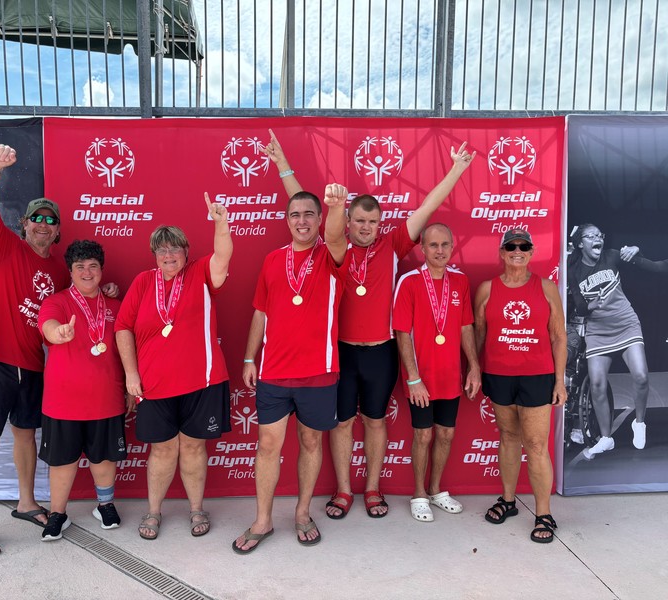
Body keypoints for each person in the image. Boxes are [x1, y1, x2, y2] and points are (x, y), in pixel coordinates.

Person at [262, 129, 475, 519]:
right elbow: (305, 204)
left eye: (372, 221)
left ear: (380, 223)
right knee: (342, 424)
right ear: (348, 222)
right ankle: (344, 491)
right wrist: (281, 165)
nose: (364, 227)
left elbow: (427, 210)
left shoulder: (393, 244)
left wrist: (456, 171)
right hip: (340, 353)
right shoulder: (332, 247)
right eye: (358, 220)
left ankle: (372, 488)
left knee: (375, 423)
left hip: (380, 352)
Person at [0, 144, 117, 558]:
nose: (44, 225)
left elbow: (84, 294)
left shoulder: (61, 271)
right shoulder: (5, 247)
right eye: (37, 219)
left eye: (51, 220)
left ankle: (27, 503)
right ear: (24, 224)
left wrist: (109, 290)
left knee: (26, 437)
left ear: (58, 230)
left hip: (32, 367)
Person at [232, 183, 348, 554]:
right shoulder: (272, 259)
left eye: (309, 214)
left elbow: (335, 231)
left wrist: (336, 205)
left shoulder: (333, 253)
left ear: (319, 220)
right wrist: (250, 357)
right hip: (274, 372)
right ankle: (263, 519)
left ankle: (301, 513)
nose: (302, 221)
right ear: (286, 220)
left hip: (319, 372)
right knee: (268, 445)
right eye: (295, 214)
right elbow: (260, 312)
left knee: (311, 442)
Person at [115, 194, 232, 541]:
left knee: (194, 447)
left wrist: (221, 223)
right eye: (162, 250)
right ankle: (154, 512)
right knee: (163, 449)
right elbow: (123, 327)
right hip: (154, 385)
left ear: (186, 251)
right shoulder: (142, 282)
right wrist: (131, 375)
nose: (169, 256)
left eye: (175, 249)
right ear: (154, 255)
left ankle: (197, 508)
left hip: (203, 381)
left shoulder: (201, 273)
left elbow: (223, 255)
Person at [474, 229, 567, 544]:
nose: (517, 251)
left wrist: (559, 380)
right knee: (509, 438)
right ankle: (508, 500)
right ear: (501, 252)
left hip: (537, 376)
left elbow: (558, 335)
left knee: (537, 445)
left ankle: (544, 513)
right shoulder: (487, 289)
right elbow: (479, 334)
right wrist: (474, 369)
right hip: (499, 376)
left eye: (524, 246)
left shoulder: (546, 287)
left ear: (531, 251)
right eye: (511, 246)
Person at [38, 240, 134, 541]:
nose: (87, 272)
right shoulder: (57, 301)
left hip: (106, 400)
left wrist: (133, 389)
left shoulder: (117, 305)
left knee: (104, 458)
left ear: (101, 270)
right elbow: (48, 325)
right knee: (62, 461)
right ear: (70, 271)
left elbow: (128, 349)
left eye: (93, 266)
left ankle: (105, 505)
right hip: (62, 401)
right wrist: (59, 332)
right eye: (80, 267)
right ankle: (57, 514)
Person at [392, 224, 480, 522]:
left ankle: (436, 490)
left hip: (450, 375)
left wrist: (474, 367)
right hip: (421, 378)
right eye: (433, 245)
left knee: (445, 433)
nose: (439, 250)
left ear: (452, 246)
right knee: (423, 435)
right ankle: (418, 494)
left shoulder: (461, 281)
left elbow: (466, 326)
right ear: (422, 248)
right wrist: (413, 378)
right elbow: (402, 334)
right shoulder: (409, 281)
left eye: (444, 244)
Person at [567, 224, 649, 457]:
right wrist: (590, 306)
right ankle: (606, 438)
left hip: (626, 323)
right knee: (598, 385)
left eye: (599, 235)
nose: (597, 239)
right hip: (598, 331)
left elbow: (644, 261)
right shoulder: (574, 270)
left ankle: (639, 423)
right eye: (590, 236)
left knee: (641, 376)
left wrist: (636, 249)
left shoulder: (611, 256)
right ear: (581, 243)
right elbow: (580, 306)